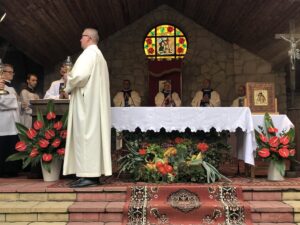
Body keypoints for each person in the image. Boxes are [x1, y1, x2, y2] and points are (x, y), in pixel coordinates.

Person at [63, 28, 112, 188]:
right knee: (91, 137)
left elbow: (80, 77)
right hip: (93, 104)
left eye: (82, 36)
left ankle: (88, 176)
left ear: (89, 38)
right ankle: (91, 175)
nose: (80, 40)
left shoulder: (89, 54)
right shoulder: (98, 55)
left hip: (86, 105)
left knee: (85, 136)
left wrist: (67, 79)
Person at [0, 64, 21, 177]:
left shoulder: (11, 88)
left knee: (12, 144)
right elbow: (2, 102)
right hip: (3, 122)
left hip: (12, 121)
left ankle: (12, 169)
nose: (12, 74)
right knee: (4, 146)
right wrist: (14, 99)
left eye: (12, 72)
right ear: (2, 72)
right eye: (9, 72)